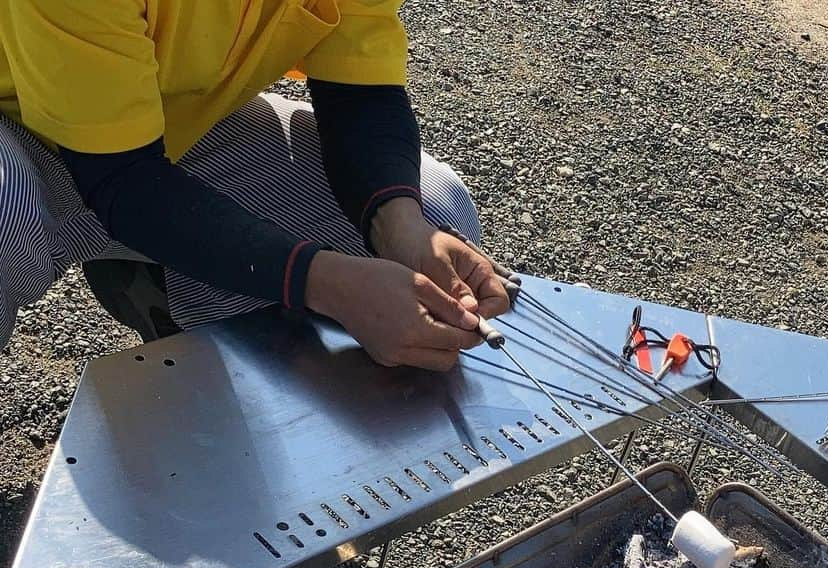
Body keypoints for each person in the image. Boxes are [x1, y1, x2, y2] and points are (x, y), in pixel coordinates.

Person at [0, 1, 509, 370]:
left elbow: (359, 93)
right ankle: (184, 254)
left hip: (160, 120)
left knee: (438, 211)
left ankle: (157, 280)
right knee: (7, 203)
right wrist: (327, 282)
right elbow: (122, 180)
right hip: (24, 133)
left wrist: (401, 226)